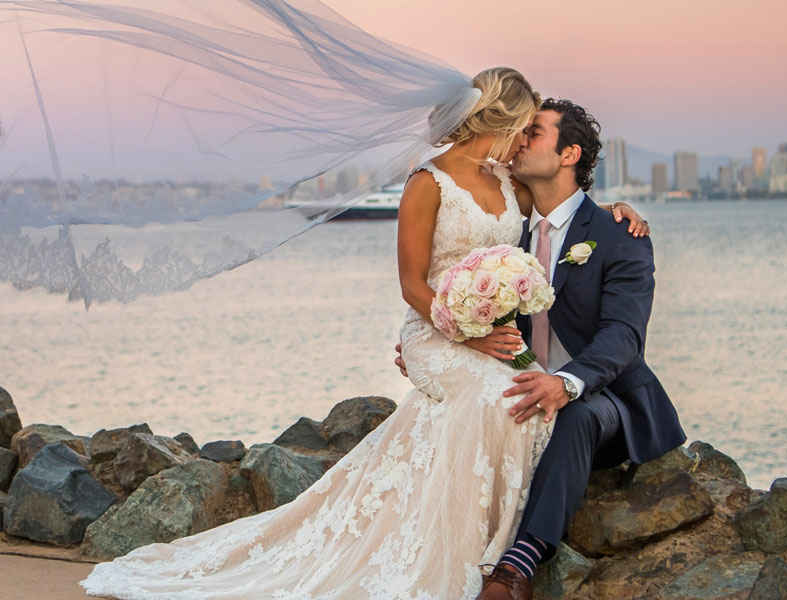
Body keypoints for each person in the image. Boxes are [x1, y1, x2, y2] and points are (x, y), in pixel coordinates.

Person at [78, 67, 648, 600]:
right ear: (501, 119)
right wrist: (461, 333)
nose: (524, 141)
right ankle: (469, 559)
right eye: (524, 128)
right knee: (491, 398)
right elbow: (411, 284)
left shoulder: (511, 185)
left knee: (519, 398)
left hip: (488, 334)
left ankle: (500, 555)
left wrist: (619, 211)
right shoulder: (428, 182)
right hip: (438, 330)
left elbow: (564, 216)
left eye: (534, 134)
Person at [397, 99, 685, 600]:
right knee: (472, 406)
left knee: (573, 413)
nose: (518, 139)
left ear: (569, 153)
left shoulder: (620, 235)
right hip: (521, 378)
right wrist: (437, 345)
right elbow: (470, 305)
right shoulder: (508, 236)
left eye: (534, 133)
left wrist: (566, 383)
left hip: (605, 397)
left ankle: (516, 568)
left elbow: (623, 337)